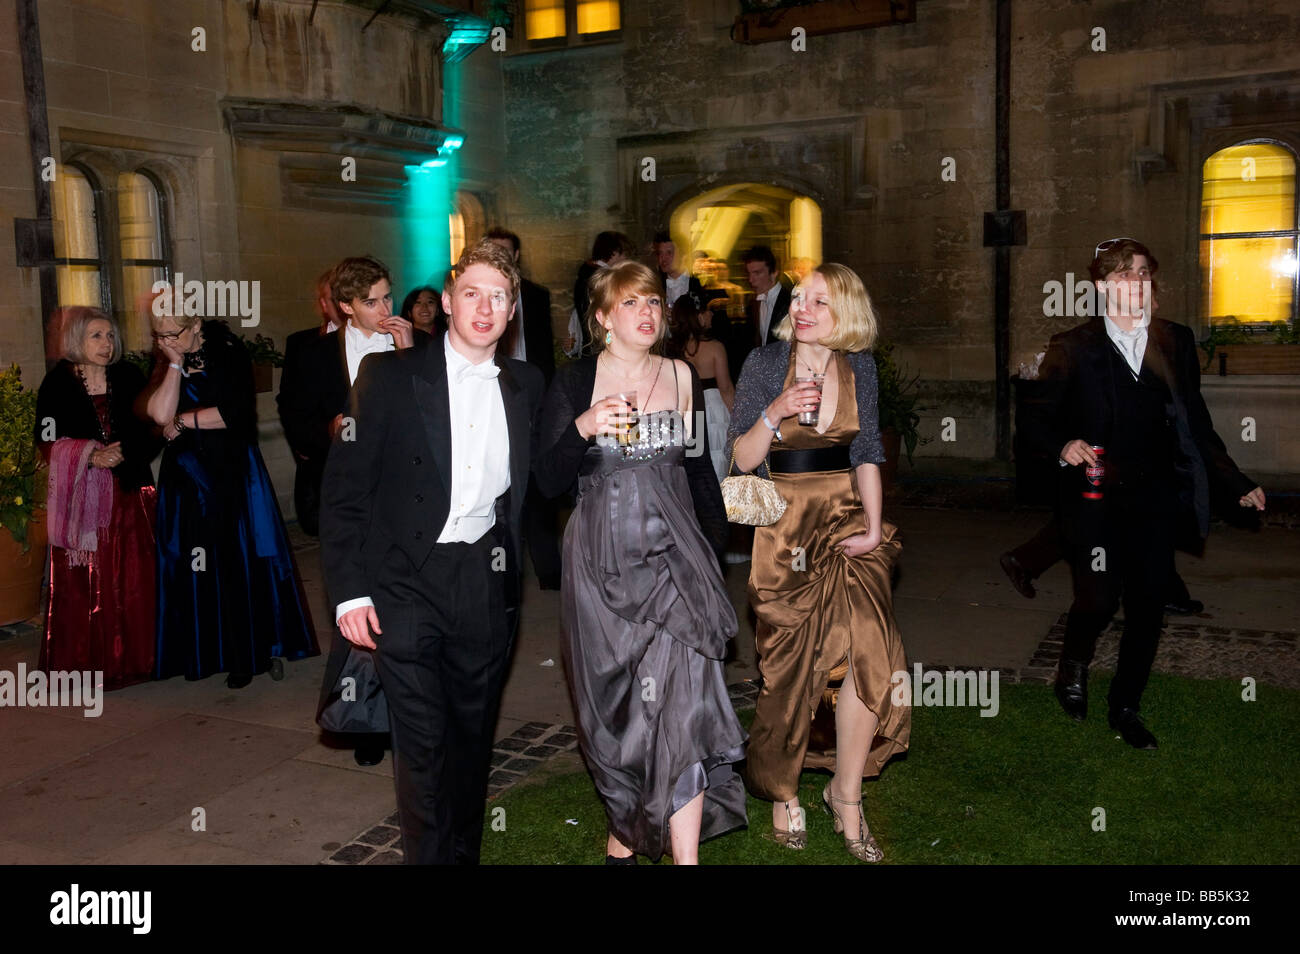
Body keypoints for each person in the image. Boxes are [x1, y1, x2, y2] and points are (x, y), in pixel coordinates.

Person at [321, 239, 544, 865]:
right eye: (471, 293)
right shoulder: (389, 377)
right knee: (422, 748)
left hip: (483, 580)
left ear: (511, 310)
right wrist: (350, 593)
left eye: (498, 297)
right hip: (405, 582)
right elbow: (345, 494)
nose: (484, 307)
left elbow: (543, 482)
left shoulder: (525, 384)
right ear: (446, 302)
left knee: (471, 744)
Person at [535, 260, 746, 865]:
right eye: (631, 304)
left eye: (653, 302)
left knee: (685, 706)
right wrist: (584, 427)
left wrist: (714, 553)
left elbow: (698, 471)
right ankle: (623, 844)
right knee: (619, 718)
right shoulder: (576, 382)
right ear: (602, 318)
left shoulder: (682, 374)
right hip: (600, 566)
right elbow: (546, 482)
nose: (648, 313)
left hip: (675, 564)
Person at [1019, 237, 1265, 749]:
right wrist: (1063, 444)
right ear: (1104, 286)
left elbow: (1196, 422)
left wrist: (1234, 481)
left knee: (1148, 604)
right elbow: (1036, 422)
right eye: (1128, 274)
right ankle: (1073, 665)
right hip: (1093, 499)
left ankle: (1125, 706)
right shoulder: (1074, 346)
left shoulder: (1174, 340)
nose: (1140, 282)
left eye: (1145, 274)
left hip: (1154, 497)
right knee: (1098, 597)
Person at [727, 263, 909, 863]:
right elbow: (743, 458)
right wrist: (773, 412)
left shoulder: (858, 368)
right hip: (783, 529)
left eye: (819, 302)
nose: (802, 309)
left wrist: (876, 529)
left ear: (845, 313)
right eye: (801, 298)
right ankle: (782, 790)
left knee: (870, 650)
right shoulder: (761, 366)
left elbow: (866, 453)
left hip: (847, 523)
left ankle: (846, 794)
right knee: (788, 668)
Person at [141, 308, 319, 689]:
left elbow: (234, 414)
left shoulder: (227, 351)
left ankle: (244, 652)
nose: (167, 342)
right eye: (161, 337)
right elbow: (158, 414)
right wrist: (173, 366)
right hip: (186, 477)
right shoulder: (169, 357)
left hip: (229, 470)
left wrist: (182, 421)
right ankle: (204, 650)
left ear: (196, 325)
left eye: (174, 334)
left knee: (234, 558)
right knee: (191, 559)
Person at [298, 258, 420, 766]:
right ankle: (368, 721)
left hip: (404, 504)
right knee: (358, 611)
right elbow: (296, 420)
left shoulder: (420, 346)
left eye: (388, 296)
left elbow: (434, 425)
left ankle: (408, 718)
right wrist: (328, 430)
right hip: (349, 500)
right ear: (346, 307)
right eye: (371, 301)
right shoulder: (312, 352)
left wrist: (409, 355)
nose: (385, 309)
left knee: (404, 615)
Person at [35, 307, 160, 690]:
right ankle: (85, 663)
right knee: (87, 579)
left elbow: (150, 425)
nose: (106, 344)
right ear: (76, 340)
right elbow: (46, 437)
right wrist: (90, 454)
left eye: (110, 336)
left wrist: (123, 454)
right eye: (96, 336)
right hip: (81, 501)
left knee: (135, 578)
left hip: (130, 492)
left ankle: (141, 658)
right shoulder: (57, 383)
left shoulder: (128, 376)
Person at [486, 226, 562, 589]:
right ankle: (502, 568)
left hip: (534, 395)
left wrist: (548, 395)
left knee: (538, 479)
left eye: (505, 251)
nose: (500, 256)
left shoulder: (536, 294)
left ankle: (549, 568)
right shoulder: (482, 297)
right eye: (493, 250)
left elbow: (545, 349)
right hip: (494, 393)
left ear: (516, 256)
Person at [278, 266, 343, 535]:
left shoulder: (380, 340)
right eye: (332, 298)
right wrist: (302, 445)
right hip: (319, 455)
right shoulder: (301, 344)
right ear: (323, 303)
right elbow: (287, 401)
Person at [665, 293, 734, 481]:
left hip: (686, 411)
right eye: (708, 311)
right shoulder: (715, 348)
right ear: (699, 316)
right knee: (718, 462)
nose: (711, 315)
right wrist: (739, 421)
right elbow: (726, 388)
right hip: (713, 408)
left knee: (693, 466)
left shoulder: (672, 350)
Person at [566, 231, 634, 357]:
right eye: (624, 254)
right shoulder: (602, 278)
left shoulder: (587, 274)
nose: (626, 259)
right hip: (601, 348)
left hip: (593, 346)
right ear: (614, 252)